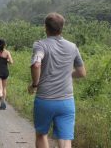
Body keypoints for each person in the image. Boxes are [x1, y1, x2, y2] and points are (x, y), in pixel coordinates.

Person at [29, 13, 86, 148]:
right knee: (65, 139)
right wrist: (67, 74)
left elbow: (37, 63)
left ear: (45, 28)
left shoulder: (40, 45)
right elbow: (82, 73)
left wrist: (34, 84)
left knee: (42, 135)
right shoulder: (72, 47)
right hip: (66, 101)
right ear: (62, 28)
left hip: (45, 100)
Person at [0, 39, 13, 110]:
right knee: (4, 88)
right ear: (5, 45)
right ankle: (3, 102)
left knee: (0, 89)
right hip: (5, 72)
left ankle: (1, 99)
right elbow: (11, 62)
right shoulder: (7, 52)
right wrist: (6, 60)